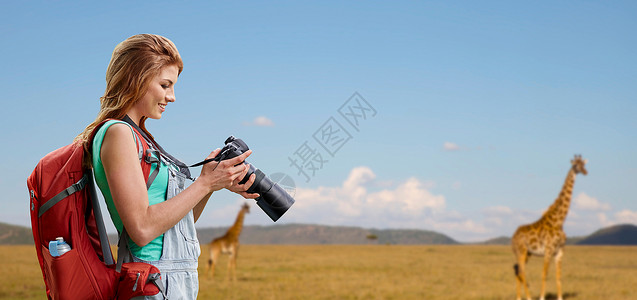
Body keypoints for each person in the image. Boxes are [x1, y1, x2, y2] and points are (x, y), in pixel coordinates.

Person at [75, 33, 259, 299]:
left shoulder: (140, 136)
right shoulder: (118, 134)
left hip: (173, 279)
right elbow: (142, 229)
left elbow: (179, 223)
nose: (172, 97)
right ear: (136, 78)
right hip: (153, 280)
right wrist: (204, 183)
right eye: (165, 85)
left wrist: (211, 184)